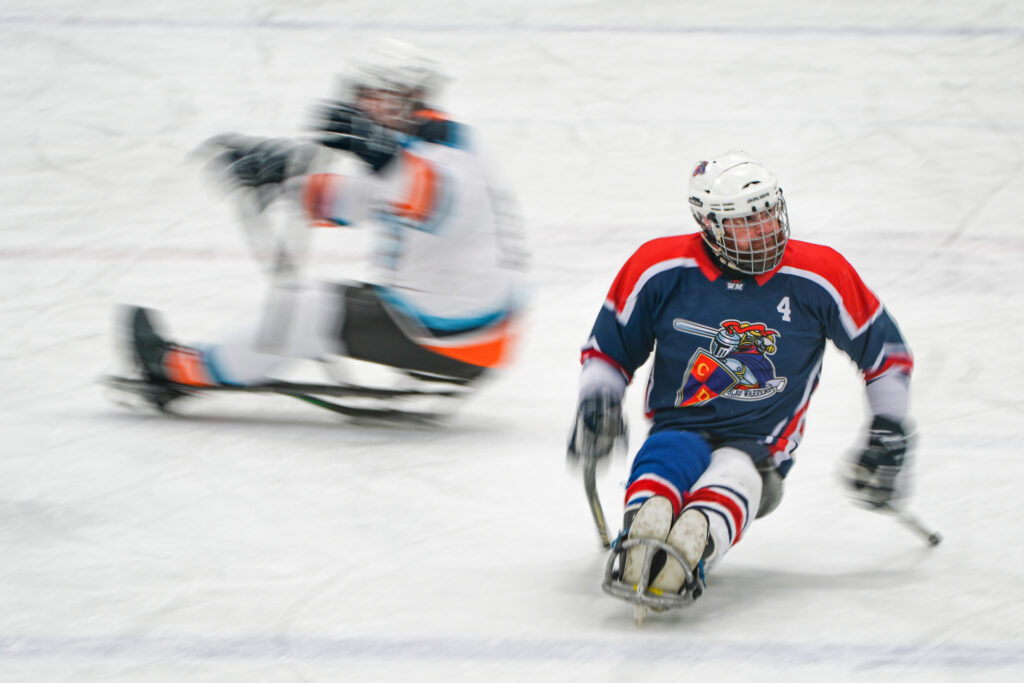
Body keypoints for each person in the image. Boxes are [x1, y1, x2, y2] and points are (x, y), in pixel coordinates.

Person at [567, 150, 914, 605]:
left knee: (735, 472)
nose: (766, 229)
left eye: (769, 214)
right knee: (670, 452)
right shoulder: (659, 268)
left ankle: (698, 539)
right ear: (708, 223)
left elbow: (884, 352)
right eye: (746, 222)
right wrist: (598, 402)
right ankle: (644, 523)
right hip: (681, 421)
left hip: (762, 440)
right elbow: (609, 349)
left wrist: (889, 428)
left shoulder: (820, 274)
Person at [125, 39, 528, 408]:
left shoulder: (447, 165)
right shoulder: (428, 151)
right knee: (321, 301)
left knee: (306, 312)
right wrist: (283, 172)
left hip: (452, 338)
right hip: (461, 328)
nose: (358, 107)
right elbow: (361, 196)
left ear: (402, 101)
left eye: (369, 99)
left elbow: (425, 192)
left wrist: (367, 145)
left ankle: (174, 372)